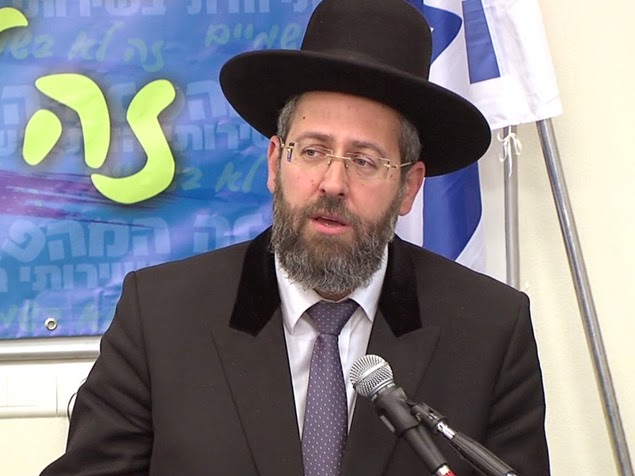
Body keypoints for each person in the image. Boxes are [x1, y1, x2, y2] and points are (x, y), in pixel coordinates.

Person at [41, 0, 550, 474]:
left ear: (409, 187)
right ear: (274, 162)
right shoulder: (159, 316)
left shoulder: (490, 331)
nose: (332, 183)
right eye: (312, 151)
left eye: (364, 161)